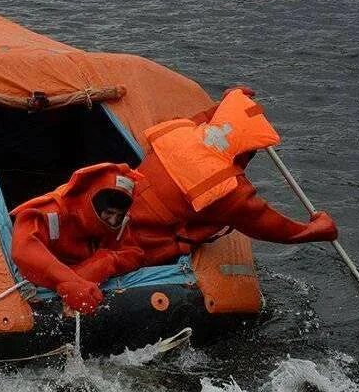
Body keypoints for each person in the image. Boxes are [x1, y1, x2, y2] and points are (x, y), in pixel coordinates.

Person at [129, 87, 339, 265]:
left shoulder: (180, 131)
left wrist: (232, 101)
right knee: (215, 221)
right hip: (143, 241)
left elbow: (210, 119)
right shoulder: (230, 190)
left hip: (120, 203)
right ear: (245, 149)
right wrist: (317, 229)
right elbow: (273, 227)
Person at [11, 163, 145, 315]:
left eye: (119, 216)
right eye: (109, 213)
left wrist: (104, 263)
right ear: (94, 203)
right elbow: (23, 249)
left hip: (74, 282)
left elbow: (134, 254)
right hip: (36, 283)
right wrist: (69, 282)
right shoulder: (52, 211)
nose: (114, 221)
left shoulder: (121, 223)